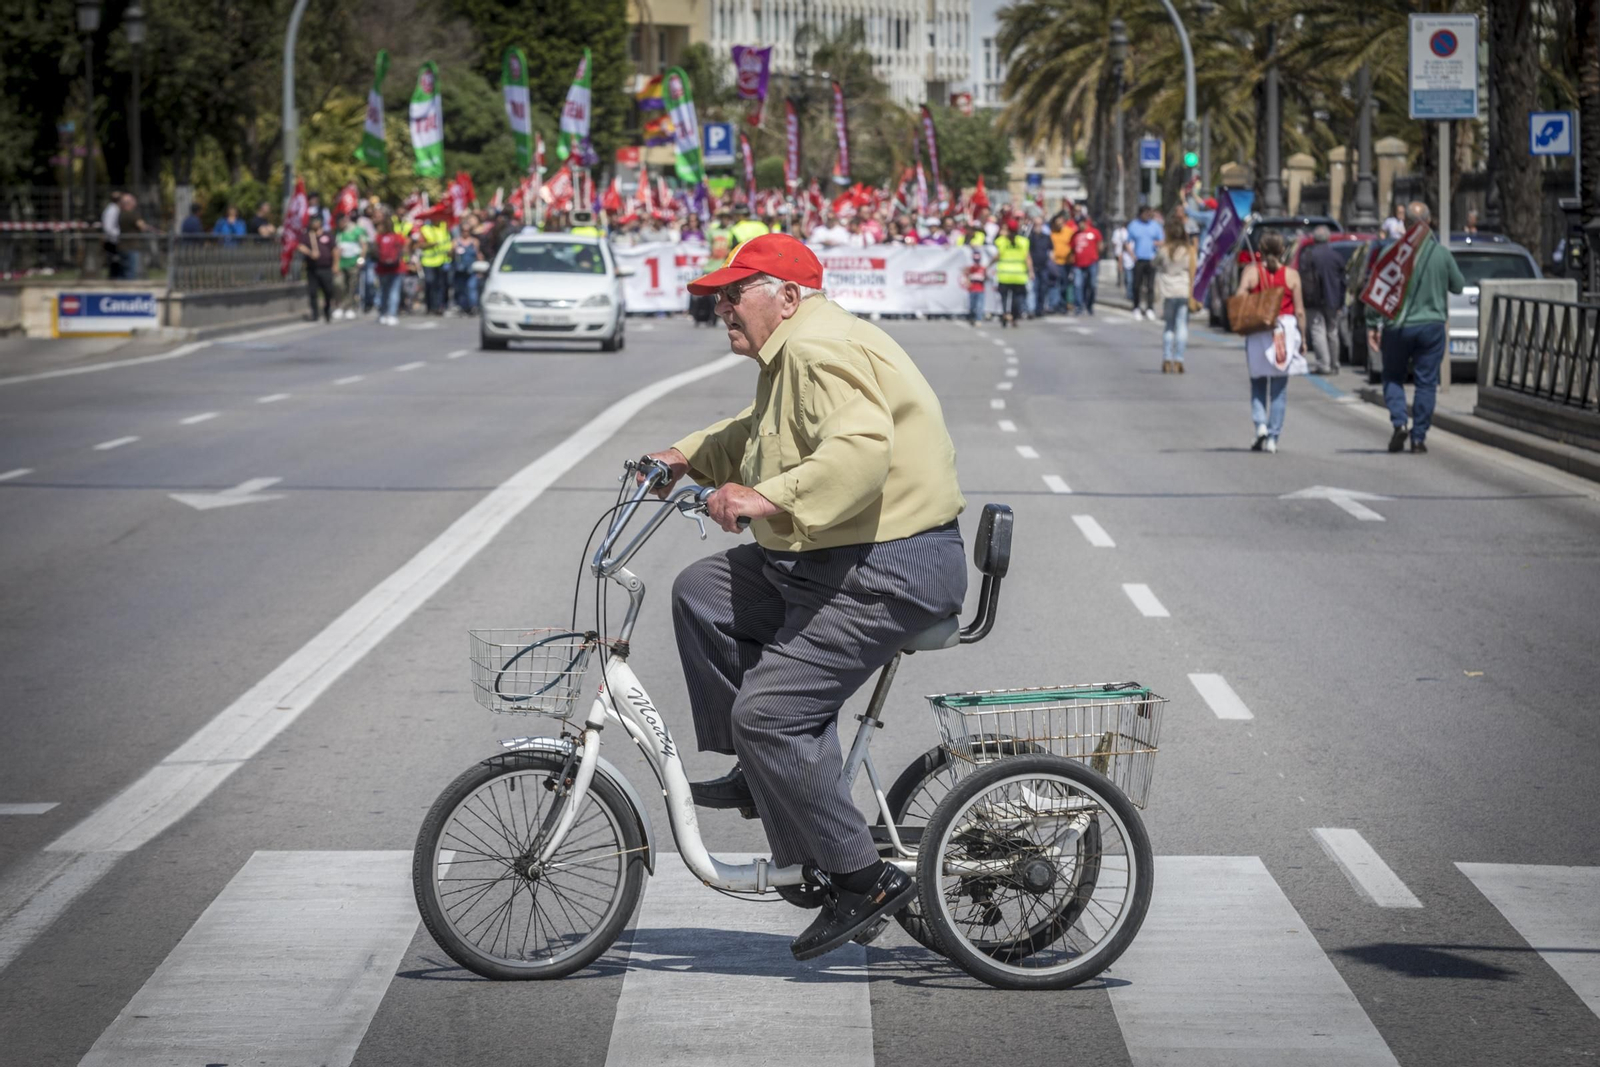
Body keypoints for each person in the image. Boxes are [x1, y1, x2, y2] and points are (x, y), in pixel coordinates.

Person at [642, 232, 966, 962]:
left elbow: (860, 451)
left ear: (786, 297)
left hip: (890, 565)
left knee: (769, 714)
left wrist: (764, 497)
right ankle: (762, 773)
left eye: (735, 293)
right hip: (832, 557)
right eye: (719, 296)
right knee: (703, 592)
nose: (721, 307)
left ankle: (863, 880)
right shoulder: (793, 351)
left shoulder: (817, 350)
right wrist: (685, 456)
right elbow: (759, 433)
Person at [1366, 201, 1466, 454]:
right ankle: (1419, 437)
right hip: (1432, 327)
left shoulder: (1390, 253)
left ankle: (1399, 422)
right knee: (1426, 383)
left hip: (1397, 327)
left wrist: (1372, 324)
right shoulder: (1440, 253)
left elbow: (1376, 289)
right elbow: (1458, 286)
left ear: (1405, 224)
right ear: (1429, 222)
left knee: (1392, 377)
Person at [1234, 231, 1306, 453]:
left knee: (1257, 382)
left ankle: (1260, 426)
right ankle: (1274, 436)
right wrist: (1303, 338)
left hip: (1259, 331)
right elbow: (1300, 311)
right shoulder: (1292, 275)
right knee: (1279, 389)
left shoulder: (1251, 272)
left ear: (1261, 251)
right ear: (1283, 250)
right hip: (1283, 331)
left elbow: (1239, 298)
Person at [1299, 225, 1346, 375]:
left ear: (1314, 239)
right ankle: (1334, 364)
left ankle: (1324, 365)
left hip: (1313, 299)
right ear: (1328, 238)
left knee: (1317, 331)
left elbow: (1302, 279)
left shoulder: (1308, 256)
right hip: (1333, 299)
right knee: (1332, 331)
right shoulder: (1336, 256)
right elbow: (1343, 282)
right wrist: (1341, 301)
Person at [1155, 214, 1196, 373]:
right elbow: (1195, 269)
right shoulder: (1189, 251)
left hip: (1168, 291)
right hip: (1184, 291)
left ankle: (1167, 359)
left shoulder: (1164, 250)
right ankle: (1179, 360)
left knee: (1169, 326)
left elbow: (1155, 263)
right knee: (1182, 325)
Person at [993, 218, 1033, 328]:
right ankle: (1014, 317)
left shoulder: (1001, 241)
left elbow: (997, 256)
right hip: (1019, 275)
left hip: (1004, 275)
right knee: (1017, 298)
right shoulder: (1023, 241)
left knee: (1004, 298)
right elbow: (1027, 258)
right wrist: (1031, 271)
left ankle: (1005, 314)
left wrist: (988, 265)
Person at [1126, 206, 1164, 319]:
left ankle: (1150, 308)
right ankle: (1136, 307)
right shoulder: (1133, 225)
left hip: (1151, 259)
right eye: (1146, 213)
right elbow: (1127, 242)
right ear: (1141, 214)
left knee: (1150, 286)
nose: (1148, 215)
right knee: (1136, 285)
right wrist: (1132, 255)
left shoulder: (1155, 225)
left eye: (1149, 213)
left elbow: (1162, 240)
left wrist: (1156, 244)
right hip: (1139, 259)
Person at [298, 215, 336, 323]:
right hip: (312, 269)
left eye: (317, 221)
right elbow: (300, 246)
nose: (315, 223)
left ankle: (327, 310)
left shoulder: (327, 235)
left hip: (326, 268)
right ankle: (315, 314)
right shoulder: (307, 236)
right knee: (313, 291)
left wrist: (335, 265)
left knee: (328, 290)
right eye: (313, 221)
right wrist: (310, 253)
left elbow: (334, 249)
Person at [373, 211, 408, 326]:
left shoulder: (379, 237)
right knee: (394, 292)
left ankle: (383, 314)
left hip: (383, 268)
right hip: (397, 268)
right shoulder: (398, 237)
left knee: (383, 291)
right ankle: (392, 314)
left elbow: (375, 252)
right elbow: (405, 249)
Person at [419, 214, 452, 315]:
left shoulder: (444, 227)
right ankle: (430, 306)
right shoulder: (425, 229)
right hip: (428, 262)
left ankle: (439, 306)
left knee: (441, 285)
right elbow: (420, 244)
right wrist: (430, 244)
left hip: (442, 261)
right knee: (430, 283)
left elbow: (448, 242)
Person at [334, 212, 365, 320]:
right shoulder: (338, 232)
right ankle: (340, 306)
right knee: (339, 284)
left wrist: (361, 259)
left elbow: (364, 245)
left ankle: (349, 307)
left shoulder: (356, 230)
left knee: (351, 286)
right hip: (341, 263)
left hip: (353, 263)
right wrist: (336, 264)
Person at [1072, 214, 1102, 316]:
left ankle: (1089, 304)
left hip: (1092, 262)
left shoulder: (1094, 232)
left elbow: (1099, 245)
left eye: (1080, 223)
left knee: (1092, 284)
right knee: (1077, 285)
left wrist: (1096, 256)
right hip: (1078, 264)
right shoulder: (1075, 235)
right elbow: (1072, 248)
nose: (1079, 225)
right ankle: (1078, 306)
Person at [964, 247, 989, 326]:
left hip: (980, 290)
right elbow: (967, 278)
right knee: (972, 306)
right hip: (972, 289)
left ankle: (978, 319)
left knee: (979, 306)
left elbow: (986, 278)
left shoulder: (983, 268)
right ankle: (972, 317)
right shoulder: (971, 268)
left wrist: (983, 277)